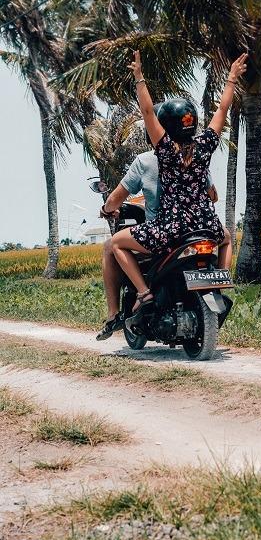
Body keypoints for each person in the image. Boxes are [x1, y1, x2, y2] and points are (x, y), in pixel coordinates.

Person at [103, 50, 247, 325]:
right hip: (206, 224)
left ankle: (143, 293)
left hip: (172, 229)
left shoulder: (165, 152)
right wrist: (230, 79)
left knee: (116, 243)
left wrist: (139, 78)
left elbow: (147, 112)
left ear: (164, 128)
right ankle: (219, 281)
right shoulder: (204, 146)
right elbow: (222, 110)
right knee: (226, 237)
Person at [96, 144, 219, 341]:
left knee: (112, 244)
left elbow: (115, 199)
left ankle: (136, 298)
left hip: (164, 231)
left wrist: (106, 209)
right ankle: (219, 281)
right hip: (199, 227)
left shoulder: (145, 160)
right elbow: (213, 196)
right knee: (226, 238)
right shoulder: (197, 154)